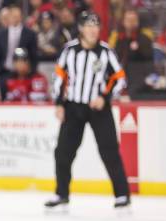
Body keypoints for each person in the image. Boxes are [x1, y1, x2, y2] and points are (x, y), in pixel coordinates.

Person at [47, 12, 130, 210]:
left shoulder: (106, 52)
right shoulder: (69, 50)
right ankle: (61, 194)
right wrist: (59, 103)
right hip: (74, 107)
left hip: (98, 108)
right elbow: (60, 77)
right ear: (81, 28)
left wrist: (105, 97)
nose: (93, 30)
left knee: (109, 150)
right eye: (88, 25)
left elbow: (120, 78)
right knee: (63, 152)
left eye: (96, 25)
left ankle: (122, 195)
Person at [0, 4, 38, 100]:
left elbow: (34, 56)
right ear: (8, 17)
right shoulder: (1, 34)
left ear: (21, 17)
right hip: (5, 72)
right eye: (13, 16)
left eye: (17, 16)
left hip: (24, 74)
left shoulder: (30, 34)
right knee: (5, 98)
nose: (15, 18)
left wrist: (30, 72)